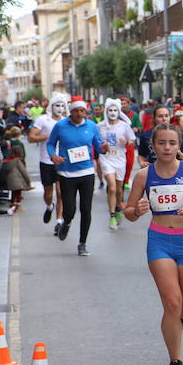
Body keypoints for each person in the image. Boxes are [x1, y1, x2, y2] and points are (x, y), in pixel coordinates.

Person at [124, 123, 183, 365]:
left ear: (179, 146)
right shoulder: (144, 175)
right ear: (153, 146)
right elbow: (128, 213)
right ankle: (176, 361)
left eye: (172, 143)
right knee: (172, 303)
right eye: (161, 143)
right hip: (160, 242)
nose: (167, 148)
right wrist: (137, 211)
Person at [46, 99, 107, 256]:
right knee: (70, 210)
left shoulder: (92, 126)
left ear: (86, 112)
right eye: (76, 111)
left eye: (82, 111)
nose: (80, 114)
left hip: (86, 172)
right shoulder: (60, 126)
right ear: (71, 112)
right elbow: (50, 143)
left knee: (86, 209)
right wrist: (53, 156)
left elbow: (98, 145)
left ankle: (82, 243)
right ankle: (66, 222)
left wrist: (103, 148)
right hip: (67, 173)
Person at [28, 93, 68, 232]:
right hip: (46, 160)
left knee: (60, 192)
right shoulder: (43, 120)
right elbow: (31, 138)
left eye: (62, 105)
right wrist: (48, 137)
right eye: (57, 105)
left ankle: (59, 221)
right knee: (49, 193)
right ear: (51, 106)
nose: (60, 108)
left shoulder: (67, 121)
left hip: (62, 161)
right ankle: (49, 206)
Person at [97, 98, 137, 231]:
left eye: (115, 110)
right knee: (112, 188)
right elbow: (96, 142)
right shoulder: (100, 126)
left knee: (119, 190)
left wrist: (126, 142)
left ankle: (118, 207)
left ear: (118, 111)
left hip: (120, 159)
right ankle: (112, 215)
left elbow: (132, 141)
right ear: (106, 111)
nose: (113, 112)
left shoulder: (124, 125)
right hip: (106, 159)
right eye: (110, 110)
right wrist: (102, 146)